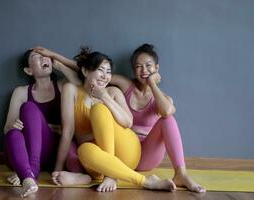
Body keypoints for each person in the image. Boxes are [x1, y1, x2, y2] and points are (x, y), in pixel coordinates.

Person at [35, 44, 206, 193]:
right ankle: (139, 180)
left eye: (108, 71)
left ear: (157, 68)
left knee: (100, 109)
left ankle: (114, 174)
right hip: (106, 154)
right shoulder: (120, 84)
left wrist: (106, 97)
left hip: (132, 150)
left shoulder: (115, 92)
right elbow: (84, 70)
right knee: (83, 151)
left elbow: (132, 121)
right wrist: (56, 58)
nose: (144, 70)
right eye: (139, 66)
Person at [3, 49, 80, 197]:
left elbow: (81, 80)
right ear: (28, 70)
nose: (44, 59)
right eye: (37, 57)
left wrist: (60, 65)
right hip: (21, 153)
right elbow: (7, 128)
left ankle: (29, 172)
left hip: (50, 151)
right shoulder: (21, 92)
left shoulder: (63, 86)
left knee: (29, 108)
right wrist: (14, 126)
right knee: (14, 132)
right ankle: (28, 177)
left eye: (46, 57)